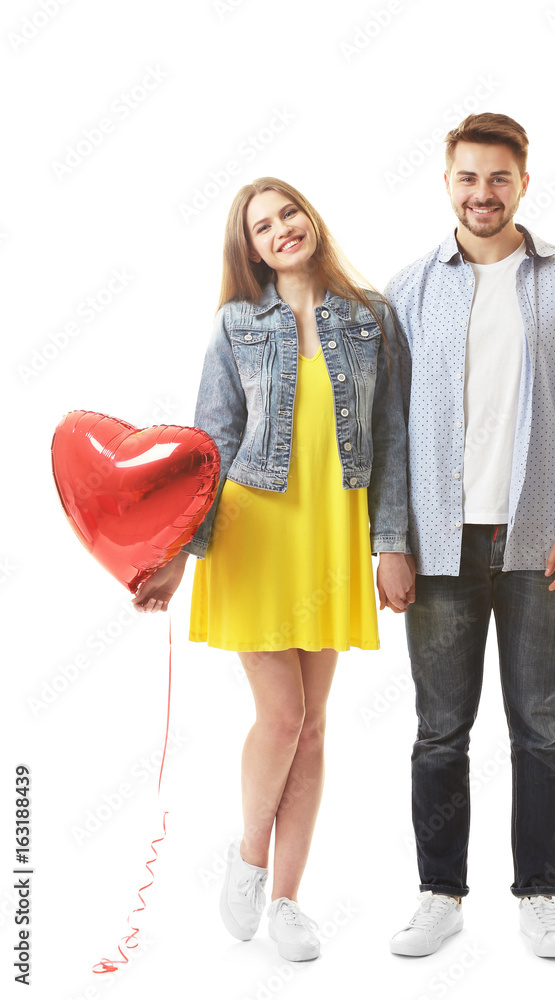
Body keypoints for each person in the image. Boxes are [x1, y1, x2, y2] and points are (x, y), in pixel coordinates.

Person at [131, 178, 415, 962]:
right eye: (263, 226)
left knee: (315, 724)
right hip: (254, 536)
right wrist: (176, 558)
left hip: (332, 533)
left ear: (311, 217)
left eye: (289, 212)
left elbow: (392, 442)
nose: (282, 229)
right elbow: (207, 448)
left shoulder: (373, 318)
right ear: (250, 249)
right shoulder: (236, 325)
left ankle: (288, 900)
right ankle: (250, 859)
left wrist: (391, 542)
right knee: (283, 717)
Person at [383, 113, 555, 959]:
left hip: (538, 545)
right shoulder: (409, 290)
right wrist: (390, 540)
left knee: (541, 726)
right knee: (440, 729)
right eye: (467, 177)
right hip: (439, 548)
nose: (481, 193)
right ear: (445, 181)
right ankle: (439, 891)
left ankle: (540, 893)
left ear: (523, 182)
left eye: (498, 178)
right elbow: (387, 431)